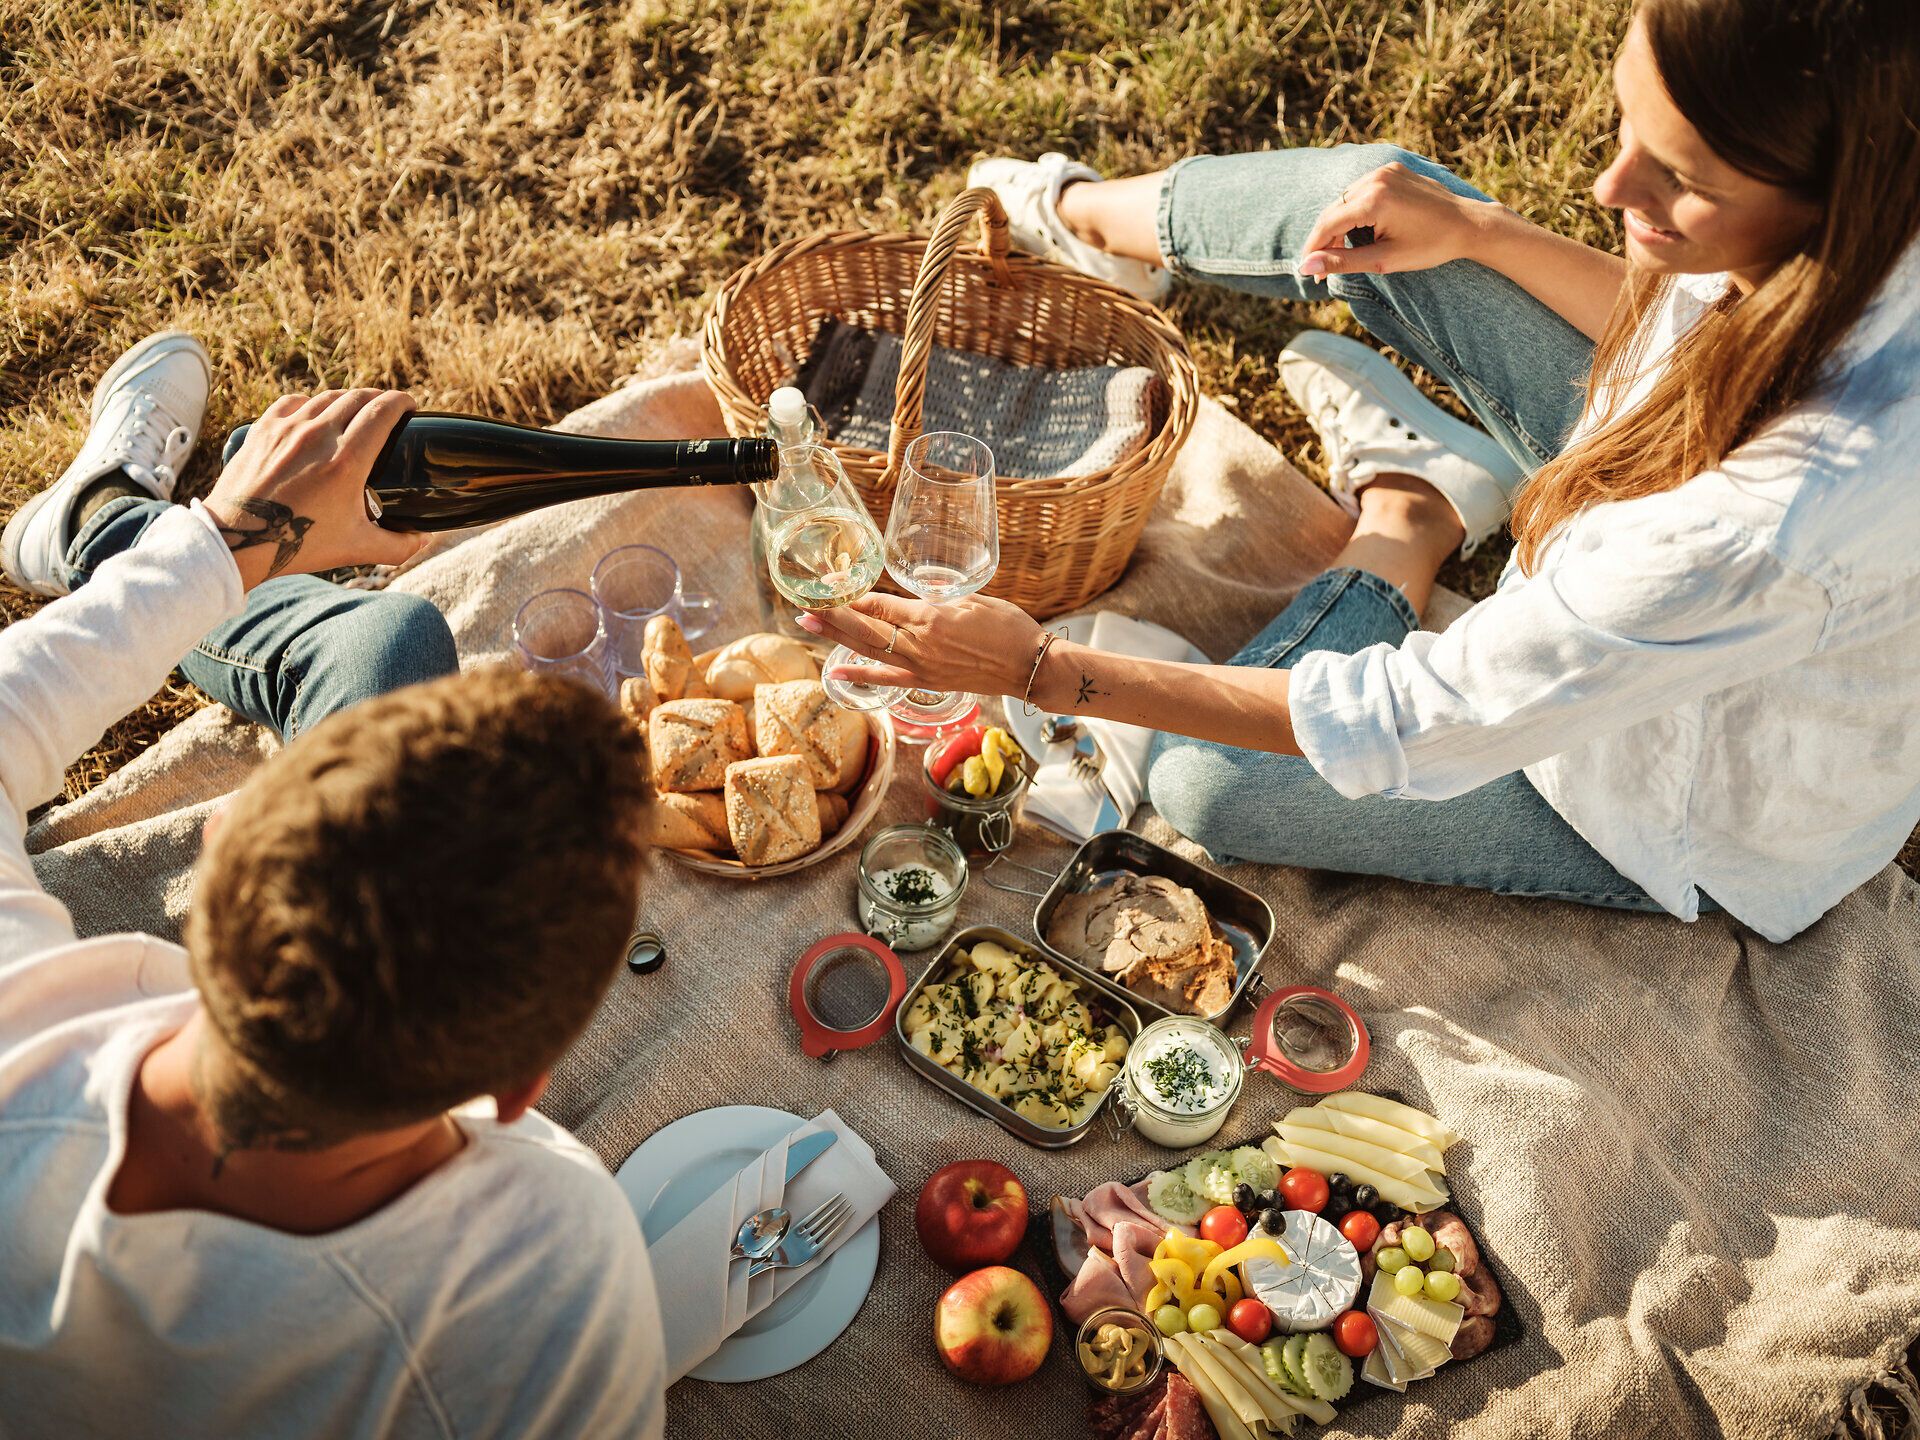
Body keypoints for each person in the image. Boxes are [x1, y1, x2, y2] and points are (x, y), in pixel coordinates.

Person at [803, 0, 1920, 944]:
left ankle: (1408, 516)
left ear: (1842, 201)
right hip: (1642, 474)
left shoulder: (1774, 520)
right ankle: (1070, 218)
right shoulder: (1862, 210)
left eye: (1677, 177)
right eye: (1626, 117)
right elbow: (1681, 335)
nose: (1603, 182)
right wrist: (1479, 231)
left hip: (1657, 788)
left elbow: (1417, 718)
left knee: (1205, 784)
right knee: (1375, 200)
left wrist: (1045, 668)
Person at [0, 348, 666, 1435]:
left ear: (215, 852)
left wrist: (230, 531)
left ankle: (104, 522)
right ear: (518, 1089)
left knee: (387, 640)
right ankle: (102, 521)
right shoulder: (553, 1282)